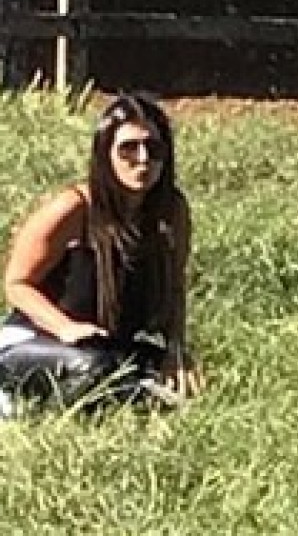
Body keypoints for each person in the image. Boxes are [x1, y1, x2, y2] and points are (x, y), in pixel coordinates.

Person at [0, 93, 202, 416]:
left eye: (154, 148)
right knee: (94, 369)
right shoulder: (75, 208)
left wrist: (175, 350)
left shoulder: (171, 212)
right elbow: (17, 284)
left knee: (183, 383)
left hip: (105, 346)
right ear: (104, 154)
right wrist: (65, 327)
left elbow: (175, 287)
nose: (143, 159)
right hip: (31, 340)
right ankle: (22, 407)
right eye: (128, 148)